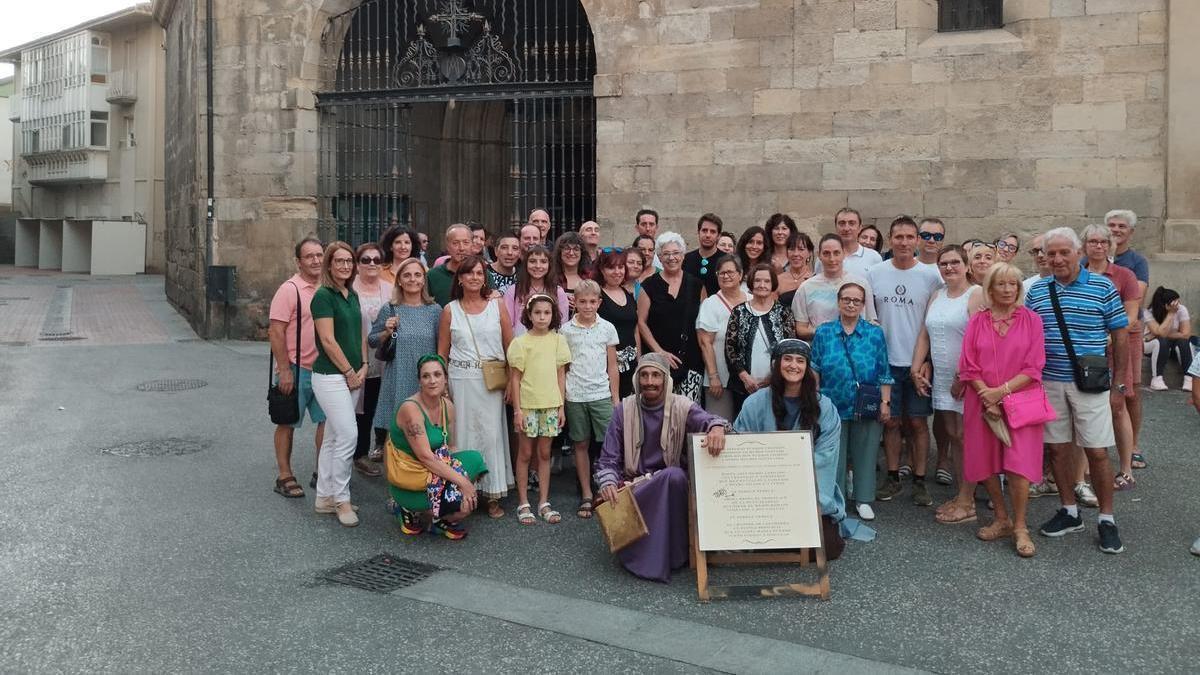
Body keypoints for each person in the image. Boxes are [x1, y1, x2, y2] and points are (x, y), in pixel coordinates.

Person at [1025, 227, 1128, 554]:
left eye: (1062, 252)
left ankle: (1107, 518)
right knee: (1056, 449)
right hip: (1049, 381)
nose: (1055, 259)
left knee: (1097, 451)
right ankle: (1069, 510)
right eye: (1049, 253)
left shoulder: (1102, 286)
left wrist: (1119, 383)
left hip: (1091, 383)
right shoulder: (1038, 291)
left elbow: (1121, 335)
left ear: (1078, 252)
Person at [594, 354, 729, 582]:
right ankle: (643, 555)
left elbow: (709, 420)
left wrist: (716, 428)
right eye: (644, 375)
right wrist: (607, 482)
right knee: (668, 479)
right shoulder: (623, 410)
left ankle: (675, 555)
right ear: (637, 379)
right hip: (635, 486)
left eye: (656, 375)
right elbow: (608, 458)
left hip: (671, 483)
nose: (649, 382)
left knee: (674, 477)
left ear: (666, 380)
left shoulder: (682, 406)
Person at [959, 263, 1047, 558]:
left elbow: (1034, 367)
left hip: (1021, 401)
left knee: (1018, 466)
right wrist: (988, 397)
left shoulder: (1032, 320)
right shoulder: (977, 321)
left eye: (1014, 285)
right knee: (985, 461)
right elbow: (968, 366)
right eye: (1002, 284)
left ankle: (1021, 526)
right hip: (980, 400)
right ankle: (1001, 517)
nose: (1009, 290)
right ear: (990, 288)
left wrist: (1000, 393)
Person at [734, 339, 850, 556]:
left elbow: (826, 456)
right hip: (764, 491)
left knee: (828, 548)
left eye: (800, 361)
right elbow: (741, 447)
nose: (793, 365)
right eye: (787, 359)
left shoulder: (824, 407)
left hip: (807, 491)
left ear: (807, 367)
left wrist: (787, 478)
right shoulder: (754, 403)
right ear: (776, 364)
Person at [866, 217, 944, 506]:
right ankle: (893, 476)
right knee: (892, 422)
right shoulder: (875, 273)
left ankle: (921, 481)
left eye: (910, 237)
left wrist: (930, 361)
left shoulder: (931, 276)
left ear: (916, 240)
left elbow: (936, 322)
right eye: (898, 236)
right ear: (890, 238)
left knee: (918, 422)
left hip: (917, 361)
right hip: (885, 362)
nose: (904, 242)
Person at [911, 245, 985, 524]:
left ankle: (968, 501)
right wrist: (915, 367)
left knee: (967, 437)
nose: (949, 267)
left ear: (966, 265)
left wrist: (962, 377)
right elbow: (924, 334)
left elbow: (979, 340)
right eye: (943, 264)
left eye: (955, 262)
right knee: (954, 434)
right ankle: (961, 493)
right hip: (942, 377)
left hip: (966, 378)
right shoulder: (936, 295)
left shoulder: (976, 294)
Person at [438, 255, 515, 519]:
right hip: (460, 380)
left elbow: (510, 346)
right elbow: (442, 352)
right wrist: (443, 387)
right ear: (459, 278)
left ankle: (491, 494)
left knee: (491, 436)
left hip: (491, 382)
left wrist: (512, 382)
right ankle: (465, 492)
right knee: (464, 436)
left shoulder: (497, 305)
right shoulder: (450, 310)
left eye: (480, 273)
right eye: (469, 273)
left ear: (485, 277)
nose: (474, 277)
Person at [810, 284, 892, 523]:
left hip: (866, 402)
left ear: (863, 305)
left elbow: (884, 371)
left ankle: (864, 499)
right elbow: (814, 368)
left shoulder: (874, 333)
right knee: (833, 454)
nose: (851, 304)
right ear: (838, 302)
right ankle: (835, 499)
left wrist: (885, 402)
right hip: (831, 402)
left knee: (866, 450)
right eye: (847, 299)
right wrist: (815, 398)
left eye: (857, 301)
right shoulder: (824, 332)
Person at [387, 355, 487, 540]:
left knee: (475, 460)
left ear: (445, 378)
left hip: (435, 470)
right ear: (419, 381)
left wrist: (462, 479)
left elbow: (451, 447)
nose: (432, 381)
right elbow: (425, 457)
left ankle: (438, 519)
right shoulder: (411, 409)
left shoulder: (447, 406)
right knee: (458, 502)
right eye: (426, 376)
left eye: (437, 375)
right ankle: (406, 507)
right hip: (411, 478)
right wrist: (462, 483)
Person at [310, 241, 368, 528]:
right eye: (339, 261)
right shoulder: (323, 296)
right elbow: (328, 341)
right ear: (329, 265)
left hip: (354, 374)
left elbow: (359, 332)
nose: (345, 265)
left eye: (349, 261)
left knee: (333, 439)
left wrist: (365, 364)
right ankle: (341, 499)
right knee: (348, 436)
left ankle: (324, 496)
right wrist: (348, 371)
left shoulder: (351, 294)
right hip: (331, 376)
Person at [1081, 223, 1142, 492]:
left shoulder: (1124, 275)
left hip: (1116, 347)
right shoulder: (1076, 272)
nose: (1098, 246)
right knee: (1085, 407)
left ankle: (1126, 469)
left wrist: (1107, 334)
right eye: (1093, 241)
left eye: (1103, 242)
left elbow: (1131, 315)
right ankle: (1082, 471)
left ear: (1110, 245)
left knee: (1118, 405)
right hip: (1085, 352)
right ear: (1084, 245)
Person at [268, 238, 327, 498]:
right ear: (298, 261)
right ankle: (284, 475)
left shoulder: (327, 287)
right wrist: (285, 370)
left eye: (319, 255)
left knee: (327, 422)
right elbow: (276, 331)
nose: (316, 260)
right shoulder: (289, 290)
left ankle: (322, 471)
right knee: (287, 422)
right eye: (309, 256)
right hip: (297, 368)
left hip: (325, 369)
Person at [369, 256, 442, 466]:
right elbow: (372, 340)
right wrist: (386, 331)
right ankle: (396, 485)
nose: (412, 279)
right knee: (399, 435)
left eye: (417, 275)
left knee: (426, 434)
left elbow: (441, 346)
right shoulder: (390, 308)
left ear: (423, 279)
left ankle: (423, 483)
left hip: (427, 380)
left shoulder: (435, 310)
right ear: (399, 280)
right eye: (407, 275)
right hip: (399, 376)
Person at [507, 294, 572, 525]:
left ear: (553, 315)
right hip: (528, 405)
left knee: (545, 454)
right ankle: (523, 502)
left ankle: (544, 501)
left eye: (547, 313)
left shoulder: (558, 340)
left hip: (550, 405)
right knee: (525, 453)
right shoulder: (521, 342)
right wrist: (517, 410)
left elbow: (560, 375)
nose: (542, 317)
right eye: (537, 312)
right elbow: (515, 379)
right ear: (529, 315)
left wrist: (561, 407)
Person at [560, 280, 620, 520]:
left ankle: (609, 487)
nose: (587, 306)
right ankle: (586, 492)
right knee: (580, 443)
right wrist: (562, 397)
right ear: (575, 302)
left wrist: (615, 397)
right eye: (582, 301)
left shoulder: (607, 328)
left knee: (608, 443)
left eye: (592, 302)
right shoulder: (566, 330)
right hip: (575, 394)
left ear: (599, 303)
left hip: (601, 393)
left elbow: (612, 365)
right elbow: (563, 367)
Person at [638, 232, 706, 402]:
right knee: (658, 414)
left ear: (683, 256)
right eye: (666, 254)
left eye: (676, 253)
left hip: (691, 361)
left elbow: (704, 323)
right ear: (659, 258)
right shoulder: (649, 285)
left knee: (687, 415)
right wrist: (659, 351)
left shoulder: (696, 285)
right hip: (658, 364)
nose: (671, 258)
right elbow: (641, 322)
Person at [724, 263, 796, 417]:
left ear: (773, 285)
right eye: (757, 281)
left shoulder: (784, 312)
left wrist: (772, 378)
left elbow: (790, 348)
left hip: (777, 385)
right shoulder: (739, 311)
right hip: (744, 386)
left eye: (767, 281)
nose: (762, 285)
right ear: (751, 283)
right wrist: (745, 377)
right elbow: (730, 348)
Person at [1107, 210, 1149, 471]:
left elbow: (1136, 296)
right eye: (1111, 225)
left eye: (1122, 226)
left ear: (1130, 231)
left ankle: (1134, 446)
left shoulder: (1137, 261)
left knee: (1130, 390)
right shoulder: (1091, 258)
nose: (1116, 229)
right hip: (1099, 334)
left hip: (1129, 331)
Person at [350, 243, 390, 475]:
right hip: (356, 357)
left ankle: (373, 451)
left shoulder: (390, 289)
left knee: (376, 405)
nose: (372, 264)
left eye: (376, 260)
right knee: (357, 409)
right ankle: (357, 454)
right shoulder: (350, 288)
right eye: (366, 260)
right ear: (358, 264)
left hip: (383, 359)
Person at [792, 234, 876, 339]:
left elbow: (871, 321)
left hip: (856, 349)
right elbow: (800, 329)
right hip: (822, 349)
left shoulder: (861, 284)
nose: (832, 259)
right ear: (819, 255)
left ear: (844, 253)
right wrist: (827, 332)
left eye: (836, 253)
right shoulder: (806, 288)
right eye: (826, 253)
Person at [696, 255, 746, 421]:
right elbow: (705, 343)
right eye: (721, 273)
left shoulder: (752, 300)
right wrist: (713, 376)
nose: (725, 276)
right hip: (721, 380)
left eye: (730, 272)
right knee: (720, 427)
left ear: (740, 274)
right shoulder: (711, 304)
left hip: (750, 380)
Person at [597, 248, 641, 398]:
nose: (617, 272)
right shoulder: (597, 296)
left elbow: (635, 330)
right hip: (606, 367)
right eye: (611, 267)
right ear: (602, 270)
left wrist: (639, 359)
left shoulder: (628, 295)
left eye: (621, 267)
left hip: (631, 364)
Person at [503, 245, 570, 337]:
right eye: (532, 261)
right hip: (521, 345)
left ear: (549, 265)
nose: (538, 266)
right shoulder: (514, 291)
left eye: (543, 262)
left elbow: (562, 325)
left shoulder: (558, 292)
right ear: (525, 264)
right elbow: (507, 325)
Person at [1146, 286, 1194, 391]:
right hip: (1151, 346)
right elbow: (1158, 335)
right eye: (1175, 302)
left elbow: (1186, 334)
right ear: (1166, 305)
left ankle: (1189, 379)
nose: (1178, 304)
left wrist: (1160, 333)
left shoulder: (1182, 309)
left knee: (1184, 342)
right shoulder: (1149, 312)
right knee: (1161, 341)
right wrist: (1171, 314)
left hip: (1172, 346)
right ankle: (1157, 379)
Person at [821, 208, 882, 278]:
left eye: (851, 223)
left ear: (860, 228)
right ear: (836, 227)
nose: (846, 228)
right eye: (842, 223)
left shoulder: (874, 257)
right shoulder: (825, 256)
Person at [427, 224, 474, 306]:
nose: (461, 248)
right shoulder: (432, 275)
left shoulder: (481, 274)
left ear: (472, 245)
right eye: (455, 243)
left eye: (466, 242)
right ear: (447, 246)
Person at [682, 213, 723, 296]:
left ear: (718, 235)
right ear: (698, 232)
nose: (708, 235)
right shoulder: (686, 259)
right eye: (704, 230)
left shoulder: (726, 260)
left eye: (712, 232)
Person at [552, 231, 589, 313]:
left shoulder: (589, 278)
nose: (571, 253)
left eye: (576, 249)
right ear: (559, 252)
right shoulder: (551, 278)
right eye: (567, 248)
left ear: (581, 253)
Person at [777, 231, 815, 308]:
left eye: (801, 249)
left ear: (809, 253)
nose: (796, 254)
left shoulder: (815, 279)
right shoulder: (778, 280)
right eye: (791, 249)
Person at [486, 229, 521, 294]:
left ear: (519, 253)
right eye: (504, 247)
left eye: (515, 248)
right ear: (496, 251)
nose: (510, 252)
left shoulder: (522, 276)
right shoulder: (483, 273)